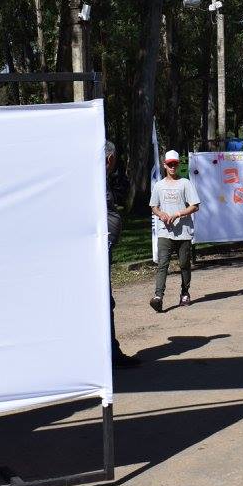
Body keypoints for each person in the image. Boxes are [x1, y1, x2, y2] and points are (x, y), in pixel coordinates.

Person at [149, 149, 201, 312]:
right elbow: (153, 206)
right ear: (164, 165)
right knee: (162, 264)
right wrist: (161, 214)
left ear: (178, 165)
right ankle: (158, 297)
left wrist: (178, 214)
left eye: (175, 164)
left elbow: (195, 206)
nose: (172, 167)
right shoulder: (159, 185)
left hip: (183, 232)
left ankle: (185, 292)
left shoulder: (185, 183)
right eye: (170, 164)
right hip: (165, 232)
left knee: (184, 264)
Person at [105, 141, 139, 368]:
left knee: (106, 300)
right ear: (110, 158)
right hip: (97, 250)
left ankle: (111, 350)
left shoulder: (104, 179)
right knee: (104, 300)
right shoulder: (94, 179)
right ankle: (110, 353)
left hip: (103, 248)